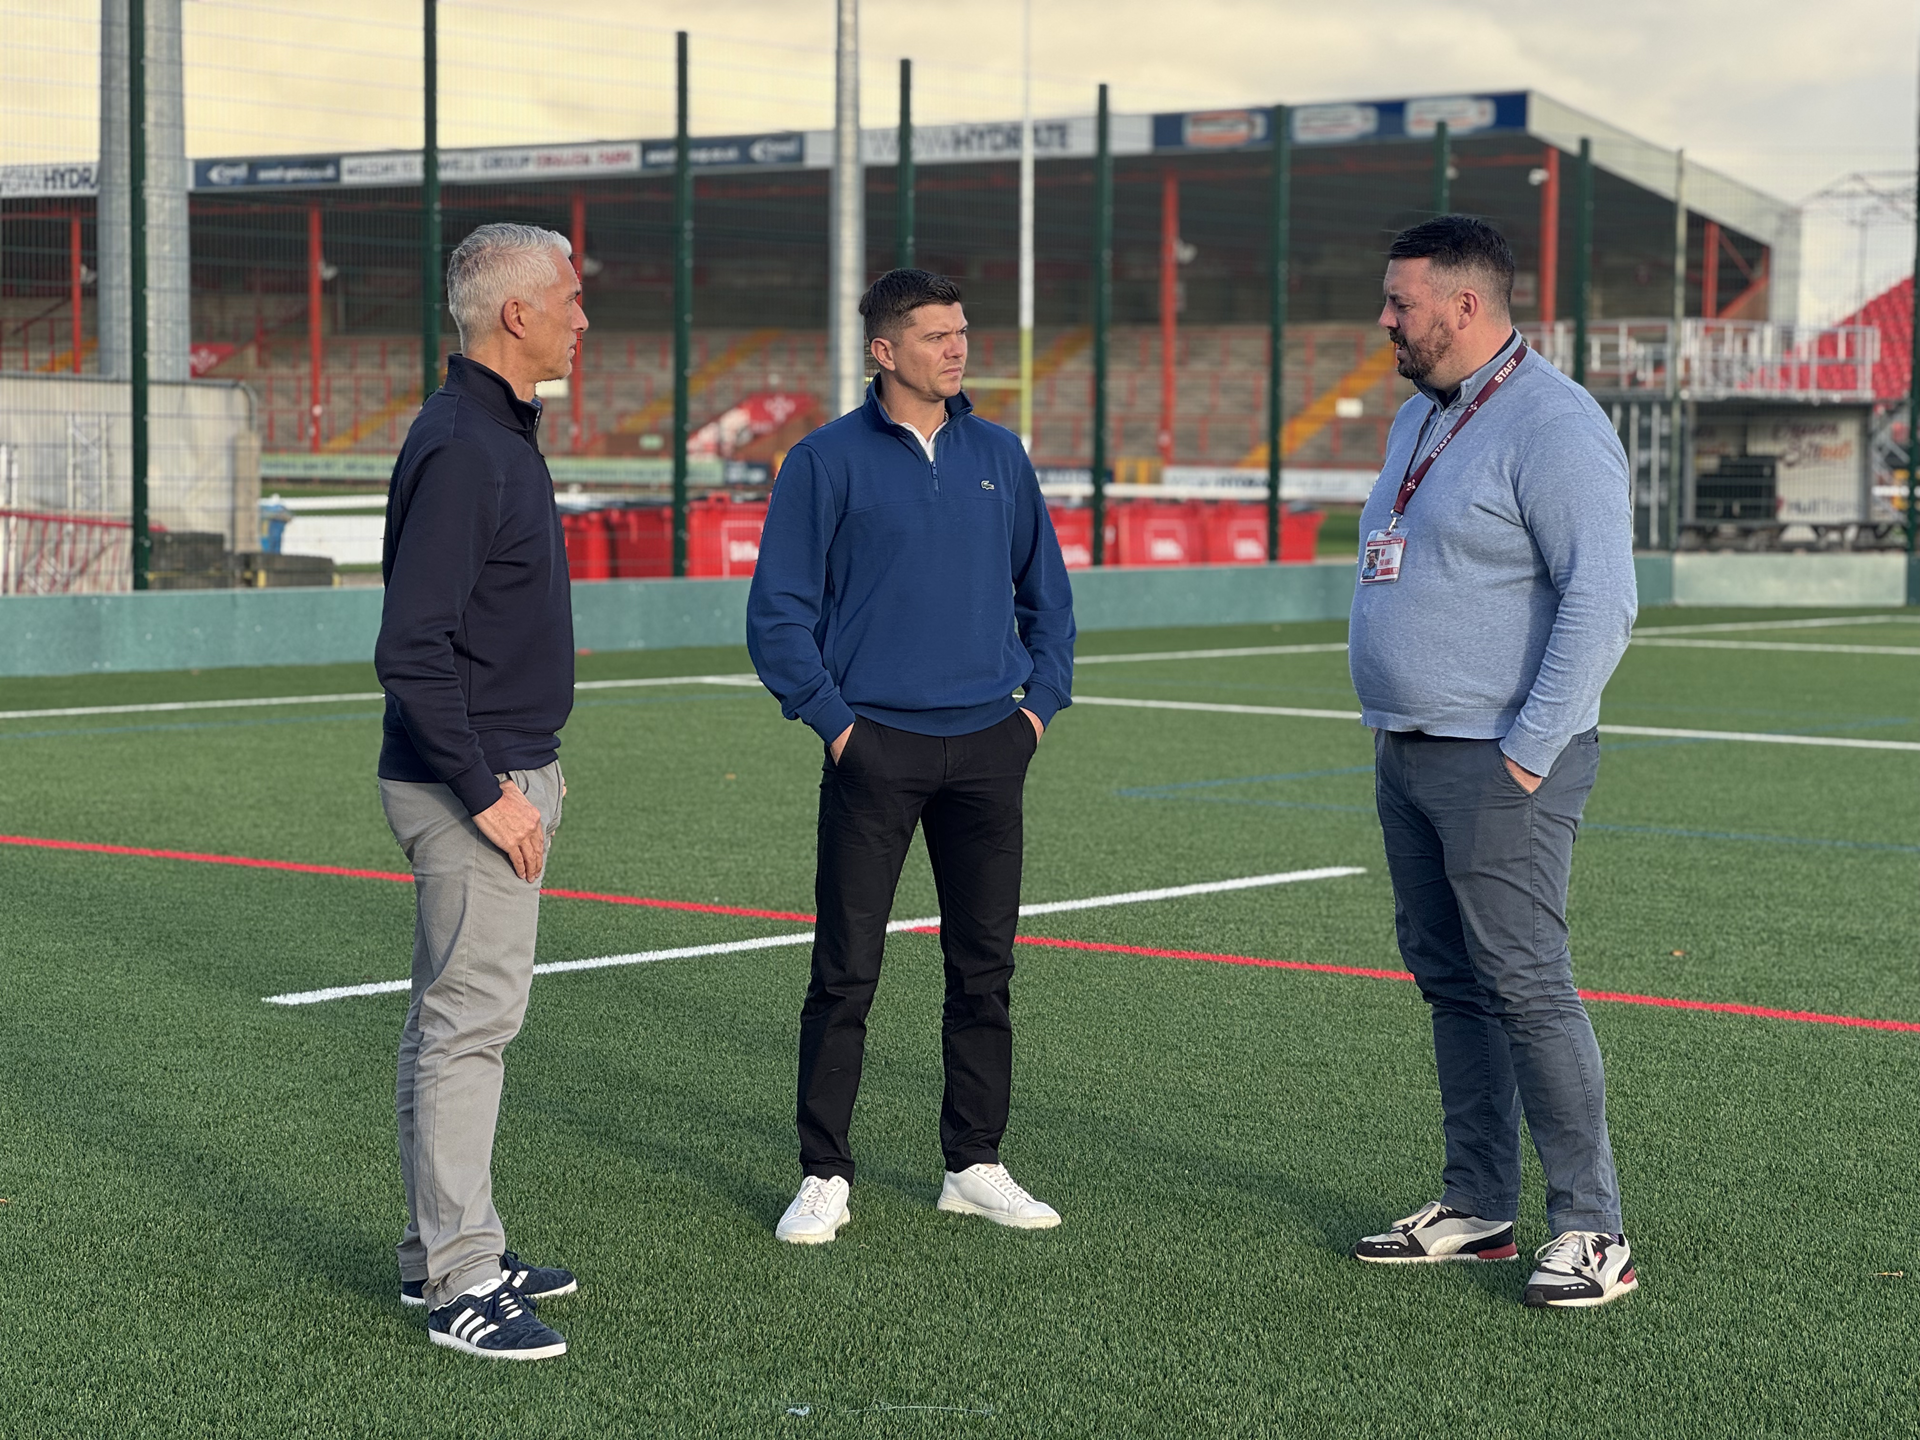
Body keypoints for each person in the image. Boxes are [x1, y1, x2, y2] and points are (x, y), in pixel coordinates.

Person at [1346, 215, 1640, 1308]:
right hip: (1411, 752)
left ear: (1465, 306)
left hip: (1502, 763)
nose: (1385, 319)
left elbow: (1603, 600)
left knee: (1527, 988)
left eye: (1402, 302)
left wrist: (1526, 753)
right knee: (1453, 985)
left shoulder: (1554, 423)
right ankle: (1477, 1203)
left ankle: (1594, 1229)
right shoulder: (1420, 416)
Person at [747, 268, 1076, 1245]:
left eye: (962, 332)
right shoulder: (823, 461)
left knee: (985, 969)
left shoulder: (1000, 454)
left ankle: (973, 1162)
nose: (958, 348)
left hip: (989, 746)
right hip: (874, 748)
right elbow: (777, 614)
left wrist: (1035, 713)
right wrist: (837, 725)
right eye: (937, 335)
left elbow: (1048, 599)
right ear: (884, 351)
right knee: (846, 971)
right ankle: (824, 1174)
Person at [375, 222, 587, 1359]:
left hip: (494, 766)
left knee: (446, 1023)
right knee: (470, 1030)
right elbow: (411, 648)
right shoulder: (467, 444)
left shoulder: (494, 430)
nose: (582, 316)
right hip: (471, 787)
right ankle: (462, 1280)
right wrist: (490, 790)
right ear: (517, 313)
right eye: (570, 297)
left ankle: (439, 1254)